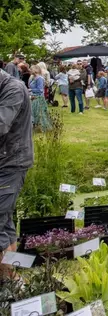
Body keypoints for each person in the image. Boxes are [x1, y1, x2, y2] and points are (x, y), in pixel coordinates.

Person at [0, 69, 33, 273]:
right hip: (5, 160)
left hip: (12, 163)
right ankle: (11, 279)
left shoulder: (14, 89)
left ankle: (6, 282)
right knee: (5, 222)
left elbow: (1, 125)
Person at [28, 65, 51, 131]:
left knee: (40, 114)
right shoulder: (34, 78)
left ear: (35, 70)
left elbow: (40, 90)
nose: (30, 70)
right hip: (33, 97)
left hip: (38, 98)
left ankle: (43, 127)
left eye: (31, 69)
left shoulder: (39, 78)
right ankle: (35, 127)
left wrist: (30, 90)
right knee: (34, 113)